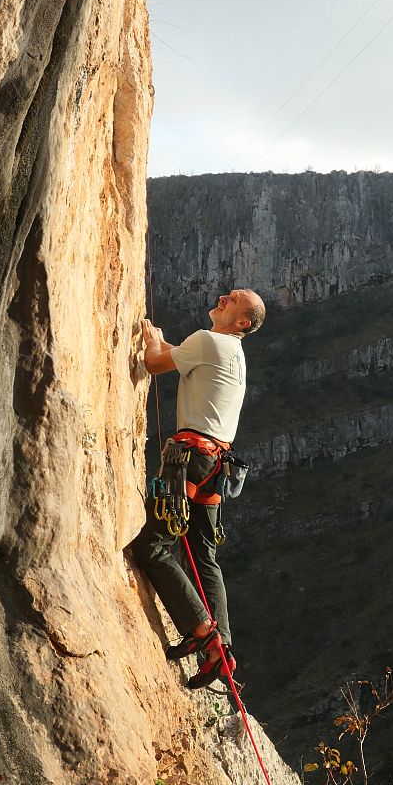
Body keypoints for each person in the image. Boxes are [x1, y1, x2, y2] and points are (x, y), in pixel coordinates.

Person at [133, 288, 266, 689]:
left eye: (233, 299)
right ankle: (220, 648)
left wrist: (152, 340)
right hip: (216, 463)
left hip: (189, 459)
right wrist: (161, 341)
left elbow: (156, 363)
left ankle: (200, 628)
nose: (223, 297)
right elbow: (181, 354)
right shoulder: (228, 351)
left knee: (151, 546)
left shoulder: (208, 341)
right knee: (203, 554)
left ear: (242, 321)